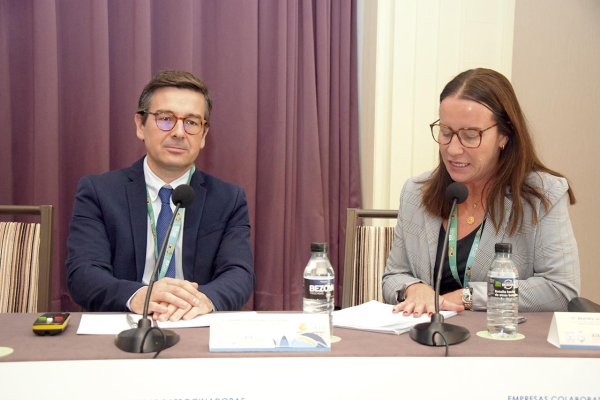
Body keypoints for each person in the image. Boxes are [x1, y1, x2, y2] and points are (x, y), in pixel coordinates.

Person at [382, 68, 580, 317]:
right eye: (445, 132)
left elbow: (559, 290)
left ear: (504, 136)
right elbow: (394, 275)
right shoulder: (415, 192)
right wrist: (413, 288)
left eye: (470, 135)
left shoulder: (542, 194)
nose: (453, 149)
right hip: (426, 342)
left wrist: (468, 297)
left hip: (501, 345)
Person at [66, 69, 254, 322]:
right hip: (122, 325)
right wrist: (138, 296)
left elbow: (239, 273)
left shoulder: (228, 198)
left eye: (192, 122)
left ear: (203, 136)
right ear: (140, 125)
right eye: (165, 118)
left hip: (195, 323)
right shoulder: (99, 192)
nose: (178, 132)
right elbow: (83, 273)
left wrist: (203, 300)